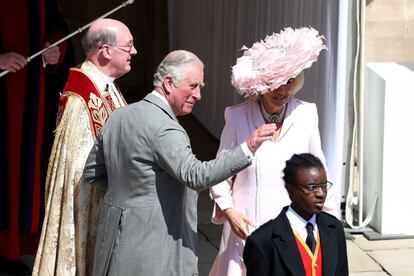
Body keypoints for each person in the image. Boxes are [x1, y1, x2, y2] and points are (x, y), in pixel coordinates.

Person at [82, 49, 277, 276]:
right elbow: (196, 175)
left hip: (114, 242)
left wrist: (132, 195)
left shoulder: (119, 116)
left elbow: (93, 172)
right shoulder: (166, 128)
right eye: (193, 86)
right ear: (168, 83)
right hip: (154, 247)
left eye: (200, 87)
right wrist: (248, 146)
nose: (198, 95)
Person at [209, 27, 339, 276]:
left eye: (289, 82)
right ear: (259, 85)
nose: (283, 90)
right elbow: (219, 173)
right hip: (247, 229)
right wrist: (230, 212)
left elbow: (320, 174)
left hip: (294, 229)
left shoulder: (306, 113)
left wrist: (331, 223)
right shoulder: (237, 117)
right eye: (275, 83)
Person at [32, 18, 137, 276]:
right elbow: (79, 174)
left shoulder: (105, 87)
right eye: (129, 46)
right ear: (106, 51)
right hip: (91, 215)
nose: (134, 52)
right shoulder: (82, 99)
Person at [0, 0, 72, 273]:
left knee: (22, 178)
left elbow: (57, 29)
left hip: (31, 102)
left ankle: (12, 251)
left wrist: (55, 50)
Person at [243, 153, 348, 276]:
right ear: (290, 189)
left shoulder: (334, 228)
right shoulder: (263, 241)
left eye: (323, 186)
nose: (321, 193)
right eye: (312, 187)